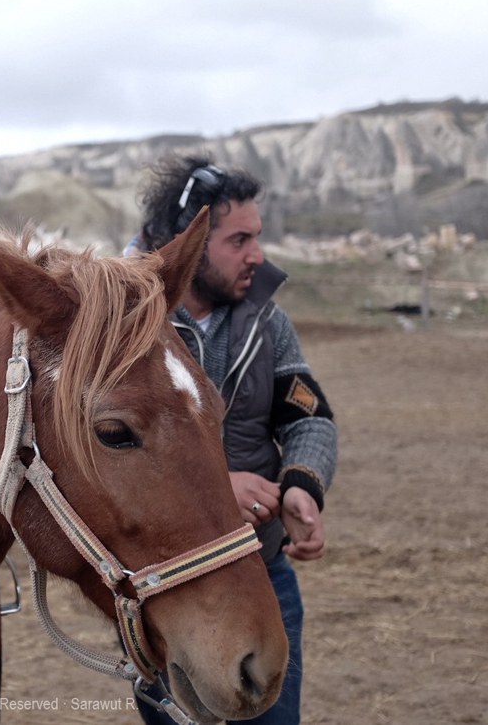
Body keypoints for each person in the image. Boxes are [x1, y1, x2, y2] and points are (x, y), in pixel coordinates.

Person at [128, 156, 337, 725]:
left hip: (264, 575)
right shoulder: (126, 327)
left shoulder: (269, 323)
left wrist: (303, 486)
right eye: (239, 240)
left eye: (257, 237)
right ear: (188, 242)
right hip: (170, 591)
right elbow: (113, 453)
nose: (257, 256)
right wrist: (222, 487)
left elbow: (310, 418)